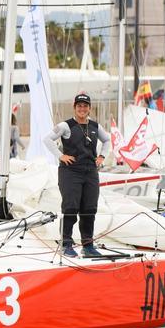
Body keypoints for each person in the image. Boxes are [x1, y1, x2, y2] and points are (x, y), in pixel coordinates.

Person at [42, 93, 111, 258]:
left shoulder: (95, 126)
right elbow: (47, 139)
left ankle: (88, 246)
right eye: (79, 106)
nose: (82, 108)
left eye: (85, 106)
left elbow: (107, 140)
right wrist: (60, 155)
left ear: (89, 108)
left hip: (90, 172)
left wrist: (102, 157)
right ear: (74, 107)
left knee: (89, 209)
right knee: (71, 207)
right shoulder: (66, 126)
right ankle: (66, 244)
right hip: (70, 171)